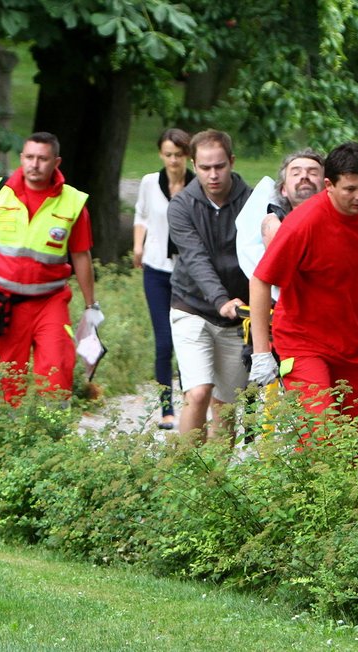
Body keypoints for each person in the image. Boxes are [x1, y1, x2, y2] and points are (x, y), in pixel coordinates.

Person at [248, 142, 358, 415]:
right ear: (328, 185)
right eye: (350, 189)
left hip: (355, 342)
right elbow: (260, 280)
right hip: (303, 342)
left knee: (348, 444)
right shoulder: (303, 224)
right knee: (322, 435)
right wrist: (261, 355)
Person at [0, 131, 100, 405]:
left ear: (56, 162)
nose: (35, 164)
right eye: (30, 157)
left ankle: (53, 437)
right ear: (21, 158)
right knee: (3, 381)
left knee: (57, 371)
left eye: (42, 159)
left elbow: (81, 256)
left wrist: (91, 306)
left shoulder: (72, 202)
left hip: (50, 302)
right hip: (4, 303)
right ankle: (5, 441)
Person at [167, 129, 253, 439]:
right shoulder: (181, 206)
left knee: (225, 406)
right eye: (204, 168)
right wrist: (219, 300)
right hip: (192, 307)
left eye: (219, 166)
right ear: (194, 164)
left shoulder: (254, 202)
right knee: (199, 392)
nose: (213, 175)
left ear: (231, 162)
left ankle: (212, 483)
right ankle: (186, 473)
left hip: (239, 315)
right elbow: (195, 259)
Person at [133, 128, 194, 430]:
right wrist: (137, 245)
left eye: (179, 155)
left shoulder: (197, 186)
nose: (173, 160)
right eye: (168, 154)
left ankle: (191, 402)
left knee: (187, 339)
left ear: (188, 156)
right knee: (163, 341)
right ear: (161, 154)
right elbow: (141, 214)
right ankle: (166, 408)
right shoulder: (148, 183)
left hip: (187, 273)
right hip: (156, 268)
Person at [261, 148, 325, 246]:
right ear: (284, 190)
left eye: (313, 173)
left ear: (327, 186)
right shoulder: (274, 225)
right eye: (296, 174)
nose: (304, 176)